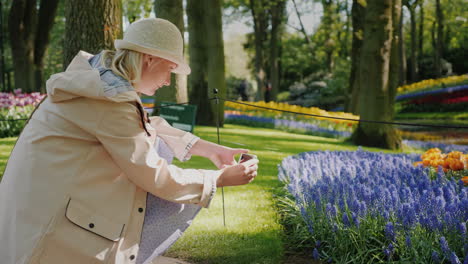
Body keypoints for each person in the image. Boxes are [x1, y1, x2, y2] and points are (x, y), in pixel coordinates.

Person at [0, 18, 259, 264]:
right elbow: (155, 176)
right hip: (50, 233)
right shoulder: (109, 100)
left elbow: (140, 124)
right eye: (169, 69)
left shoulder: (100, 80)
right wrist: (217, 179)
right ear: (149, 59)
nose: (168, 80)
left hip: (32, 216)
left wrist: (207, 148)